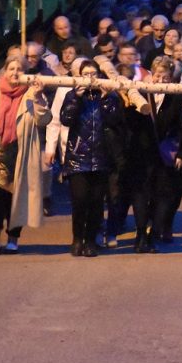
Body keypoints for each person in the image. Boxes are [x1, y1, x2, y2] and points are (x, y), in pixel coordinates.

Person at [0, 55, 51, 254]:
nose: (15, 73)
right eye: (11, 68)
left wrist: (39, 97)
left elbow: (44, 120)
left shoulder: (32, 92)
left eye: (19, 69)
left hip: (20, 154)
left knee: (16, 198)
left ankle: (13, 238)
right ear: (4, 71)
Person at [59, 60, 125, 256]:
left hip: (101, 156)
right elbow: (66, 119)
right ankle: (77, 238)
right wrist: (76, 98)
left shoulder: (109, 96)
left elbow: (115, 120)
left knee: (96, 203)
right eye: (86, 74)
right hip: (77, 156)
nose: (90, 77)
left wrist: (106, 99)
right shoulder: (72, 95)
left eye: (93, 73)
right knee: (79, 201)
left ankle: (90, 240)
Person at [123, 55, 182, 252]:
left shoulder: (177, 95)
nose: (161, 80)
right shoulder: (140, 92)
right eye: (158, 75)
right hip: (142, 152)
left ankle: (153, 234)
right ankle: (141, 235)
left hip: (165, 154)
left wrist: (181, 153)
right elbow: (130, 123)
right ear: (152, 74)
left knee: (164, 196)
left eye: (165, 77)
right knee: (140, 195)